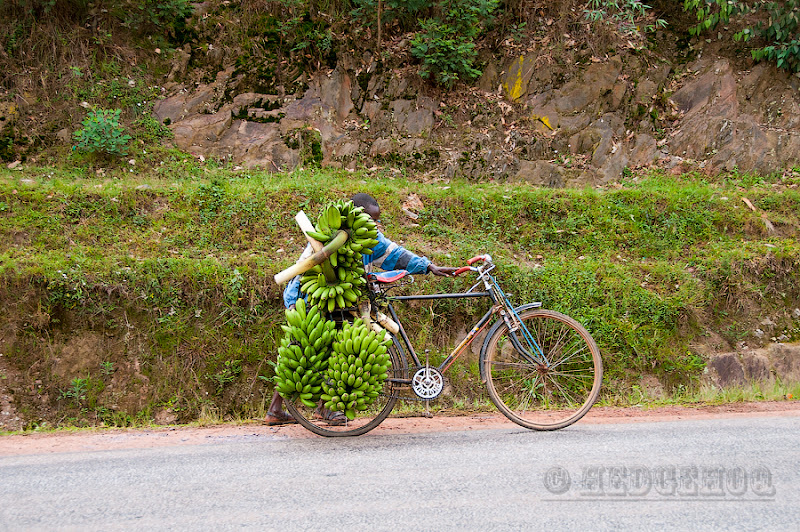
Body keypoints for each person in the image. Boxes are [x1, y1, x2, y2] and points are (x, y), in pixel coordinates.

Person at [265, 193, 459, 425]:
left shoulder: (367, 238)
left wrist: (428, 266)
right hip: (307, 297)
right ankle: (318, 408)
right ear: (355, 215)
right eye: (371, 220)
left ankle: (283, 410)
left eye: (377, 221)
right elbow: (313, 271)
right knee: (310, 350)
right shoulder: (330, 235)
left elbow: (393, 253)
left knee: (317, 348)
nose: (375, 226)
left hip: (336, 300)